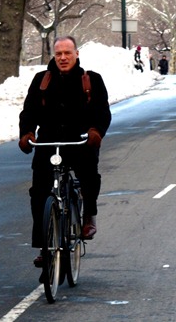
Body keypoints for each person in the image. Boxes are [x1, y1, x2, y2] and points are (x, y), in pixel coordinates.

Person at [18, 35, 111, 269]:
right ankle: (44, 246)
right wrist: (27, 133)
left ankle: (88, 214)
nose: (63, 58)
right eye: (58, 54)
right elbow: (28, 111)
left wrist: (95, 132)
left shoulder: (91, 80)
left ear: (76, 54)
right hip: (49, 143)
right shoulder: (42, 81)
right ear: (54, 56)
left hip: (80, 141)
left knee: (89, 175)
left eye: (67, 53)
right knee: (39, 191)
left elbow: (102, 112)